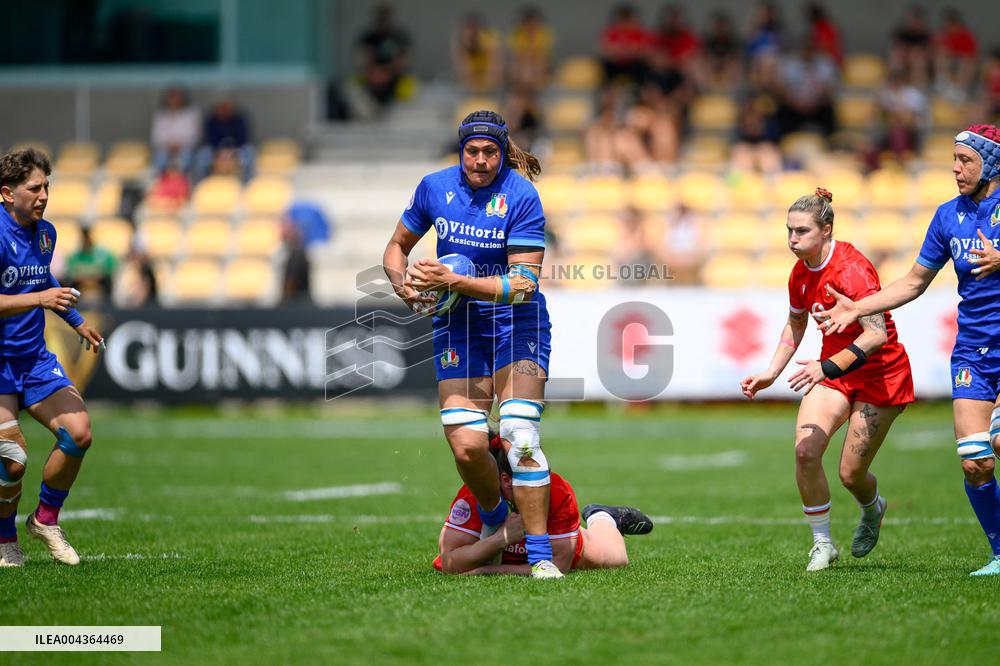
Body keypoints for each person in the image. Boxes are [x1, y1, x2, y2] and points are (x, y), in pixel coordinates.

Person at [382, 110, 562, 578]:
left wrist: (454, 279)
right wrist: (404, 286)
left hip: (517, 323)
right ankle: (499, 522)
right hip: (459, 325)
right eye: (471, 152)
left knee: (520, 435)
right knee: (466, 445)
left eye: (489, 152)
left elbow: (523, 284)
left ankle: (541, 557)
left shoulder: (521, 196)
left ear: (503, 152)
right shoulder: (433, 187)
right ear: (460, 151)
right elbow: (396, 246)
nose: (480, 161)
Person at [820, 124, 1000, 576]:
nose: (956, 168)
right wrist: (858, 307)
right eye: (954, 159)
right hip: (974, 349)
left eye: (966, 160)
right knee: (976, 461)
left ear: (992, 164)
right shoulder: (947, 216)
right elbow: (914, 282)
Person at [741, 187, 914, 572]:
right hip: (836, 374)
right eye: (788, 231)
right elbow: (796, 321)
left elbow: (875, 335)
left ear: (827, 230)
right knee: (805, 452)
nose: (792, 239)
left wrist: (826, 367)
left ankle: (874, 509)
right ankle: (822, 543)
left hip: (879, 376)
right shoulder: (800, 273)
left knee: (850, 474)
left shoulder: (852, 270)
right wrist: (772, 371)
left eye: (801, 231)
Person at [0, 148, 104, 567]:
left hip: (34, 358)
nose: (43, 195)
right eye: (34, 188)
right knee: (14, 456)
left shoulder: (46, 234)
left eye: (47, 187)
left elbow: (45, 279)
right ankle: (5, 538)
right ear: (6, 193)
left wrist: (76, 320)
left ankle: (45, 519)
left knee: (79, 433)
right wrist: (41, 298)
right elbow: (39, 291)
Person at [434, 436, 653, 575]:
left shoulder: (556, 489)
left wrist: (487, 570)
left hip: (558, 547)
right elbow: (451, 563)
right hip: (504, 547)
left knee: (617, 559)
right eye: (532, 478)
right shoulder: (476, 491)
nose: (543, 482)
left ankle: (602, 516)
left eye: (542, 475)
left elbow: (559, 564)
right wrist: (502, 539)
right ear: (506, 480)